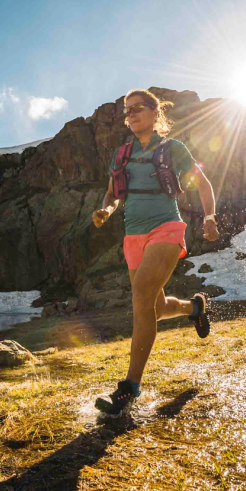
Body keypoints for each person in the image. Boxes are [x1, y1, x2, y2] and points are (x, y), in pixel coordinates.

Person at [92, 89, 219, 414]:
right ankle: (194, 308)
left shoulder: (172, 148)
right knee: (156, 307)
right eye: (127, 111)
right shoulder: (121, 154)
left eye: (137, 108)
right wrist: (105, 211)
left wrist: (209, 217)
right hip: (133, 236)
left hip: (166, 229)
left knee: (140, 294)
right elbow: (111, 194)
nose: (131, 114)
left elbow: (202, 183)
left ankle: (128, 388)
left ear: (154, 111)